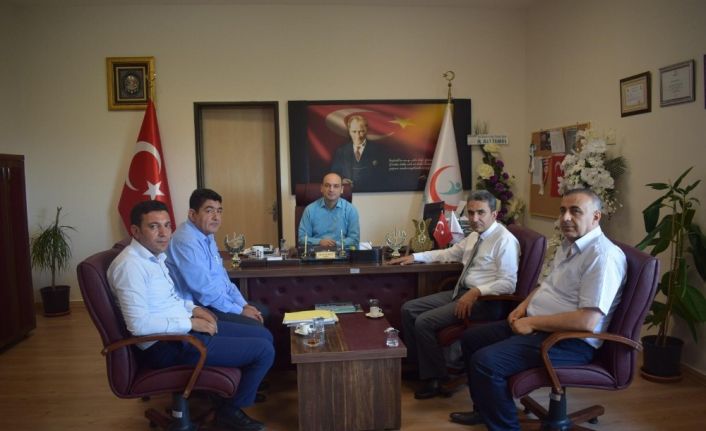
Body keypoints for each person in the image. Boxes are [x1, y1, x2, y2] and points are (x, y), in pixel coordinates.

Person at [449, 188, 627, 430]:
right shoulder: (569, 244)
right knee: (471, 338)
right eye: (562, 210)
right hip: (539, 325)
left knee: (486, 362)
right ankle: (484, 409)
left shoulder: (602, 256)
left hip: (569, 340)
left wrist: (531, 322)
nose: (565, 218)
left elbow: (586, 322)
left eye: (575, 211)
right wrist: (523, 307)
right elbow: (545, 285)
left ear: (596, 216)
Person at [108, 200, 273, 431]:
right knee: (264, 350)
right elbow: (138, 325)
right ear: (135, 231)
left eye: (167, 225)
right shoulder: (130, 266)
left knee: (264, 336)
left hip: (180, 331)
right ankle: (229, 412)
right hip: (166, 345)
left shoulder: (154, 257)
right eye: (154, 226)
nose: (164, 233)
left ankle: (228, 396)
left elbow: (169, 299)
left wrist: (193, 309)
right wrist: (189, 322)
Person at [389, 190, 520, 399]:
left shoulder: (505, 240)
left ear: (494, 214)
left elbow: (508, 283)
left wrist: (477, 292)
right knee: (409, 309)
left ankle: (436, 378)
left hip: (485, 302)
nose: (474, 218)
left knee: (424, 322)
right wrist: (415, 256)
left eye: (481, 213)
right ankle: (419, 367)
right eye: (471, 213)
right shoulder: (475, 236)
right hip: (463, 292)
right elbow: (449, 253)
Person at [166, 188, 268, 327]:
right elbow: (204, 290)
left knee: (263, 311)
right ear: (192, 214)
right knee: (255, 324)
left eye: (219, 211)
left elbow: (222, 278)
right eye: (209, 211)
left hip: (211, 301)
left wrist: (244, 305)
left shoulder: (207, 235)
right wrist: (239, 311)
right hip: (196, 308)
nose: (216, 217)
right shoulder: (186, 240)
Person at [298, 172, 360, 249]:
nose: (331, 189)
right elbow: (301, 239)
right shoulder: (310, 210)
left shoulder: (351, 210)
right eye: (327, 185)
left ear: (341, 189)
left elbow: (354, 240)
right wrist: (319, 242)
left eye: (336, 186)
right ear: (321, 188)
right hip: (316, 252)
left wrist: (336, 244)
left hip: (342, 252)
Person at [330, 114, 387, 191]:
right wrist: (342, 180)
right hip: (348, 193)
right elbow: (334, 174)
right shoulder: (341, 151)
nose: (358, 136)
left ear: (366, 130)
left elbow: (384, 175)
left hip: (371, 193)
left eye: (361, 131)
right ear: (349, 131)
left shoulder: (378, 150)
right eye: (354, 131)